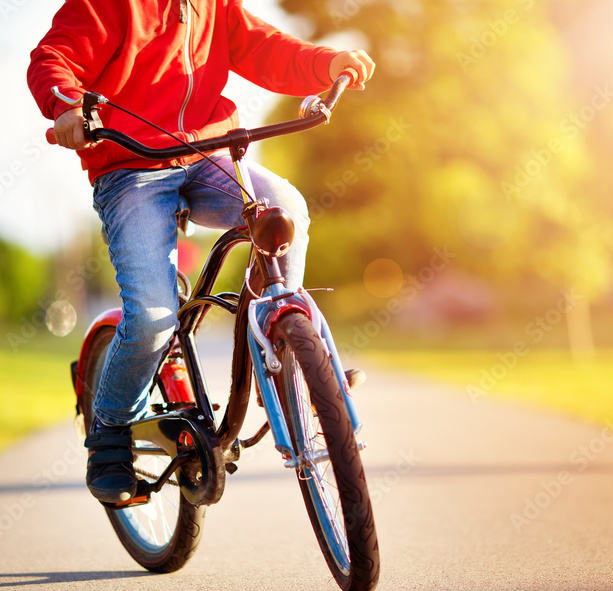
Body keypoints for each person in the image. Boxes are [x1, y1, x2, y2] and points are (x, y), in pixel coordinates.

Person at [28, 0, 374, 504]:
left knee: (285, 208)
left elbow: (264, 49)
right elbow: (53, 58)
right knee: (152, 319)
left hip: (209, 155)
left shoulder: (214, 5)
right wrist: (67, 105)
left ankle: (289, 356)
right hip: (132, 169)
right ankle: (109, 433)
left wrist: (326, 64)